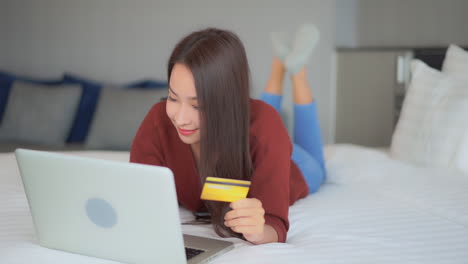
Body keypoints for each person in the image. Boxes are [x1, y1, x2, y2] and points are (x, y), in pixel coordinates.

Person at [130, 24, 326, 245]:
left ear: (228, 103)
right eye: (173, 98)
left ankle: (296, 74)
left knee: (316, 164)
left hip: (299, 169)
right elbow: (139, 195)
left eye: (198, 106)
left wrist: (259, 231)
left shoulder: (265, 128)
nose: (181, 118)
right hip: (255, 133)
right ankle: (280, 65)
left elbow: (274, 226)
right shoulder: (159, 121)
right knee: (263, 118)